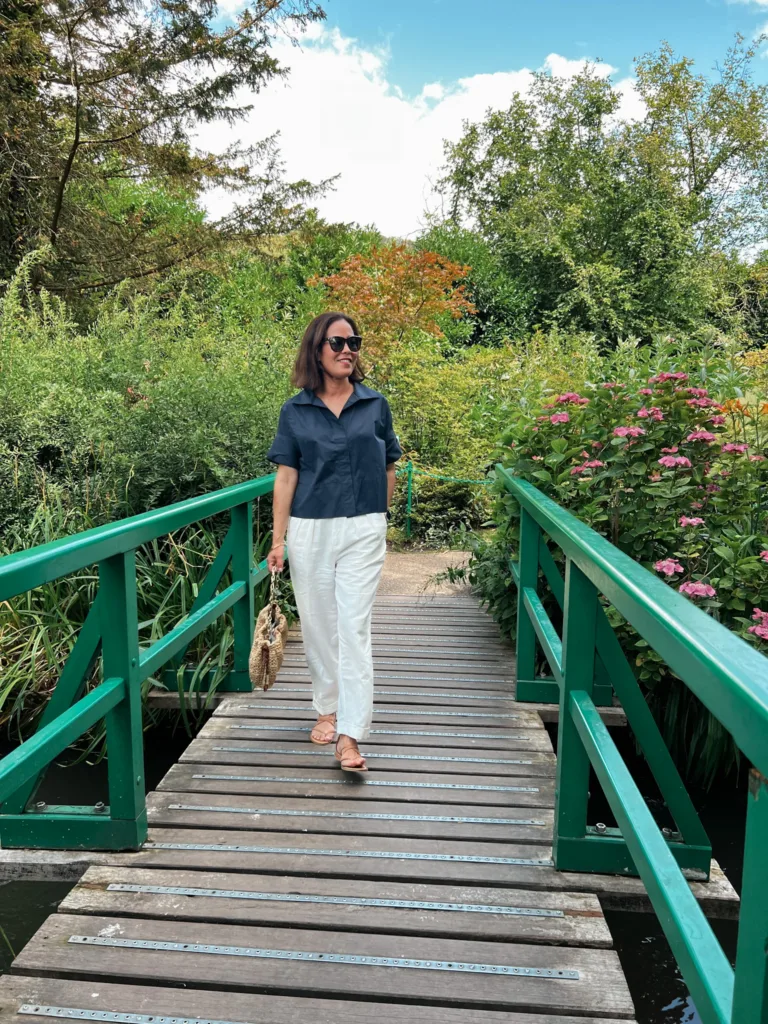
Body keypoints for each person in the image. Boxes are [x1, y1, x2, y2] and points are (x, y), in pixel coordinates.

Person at [265, 312, 402, 772]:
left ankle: (350, 734)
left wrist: (380, 517)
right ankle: (327, 706)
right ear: (316, 350)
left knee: (353, 628)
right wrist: (278, 540)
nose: (348, 350)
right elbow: (286, 477)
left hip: (363, 528)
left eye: (354, 342)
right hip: (310, 528)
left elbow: (389, 466)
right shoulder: (295, 411)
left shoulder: (375, 404)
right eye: (337, 342)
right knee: (321, 626)